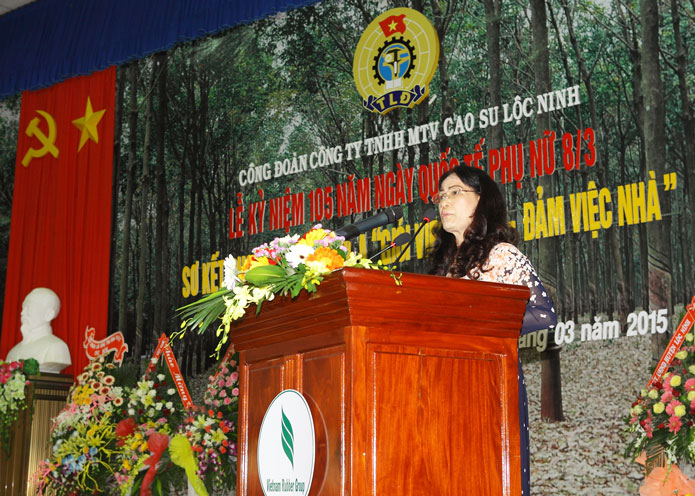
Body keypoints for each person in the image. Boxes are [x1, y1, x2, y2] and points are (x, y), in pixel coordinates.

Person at [429, 166, 556, 496]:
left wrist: (482, 326)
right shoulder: (443, 268)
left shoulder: (501, 255)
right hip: (446, 391)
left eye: (455, 192)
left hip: (492, 387)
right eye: (441, 195)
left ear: (481, 201)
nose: (444, 201)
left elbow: (544, 315)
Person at [6, 287, 71, 373]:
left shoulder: (57, 347)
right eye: (23, 307)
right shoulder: (13, 352)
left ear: (48, 314)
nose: (22, 313)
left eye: (29, 308)